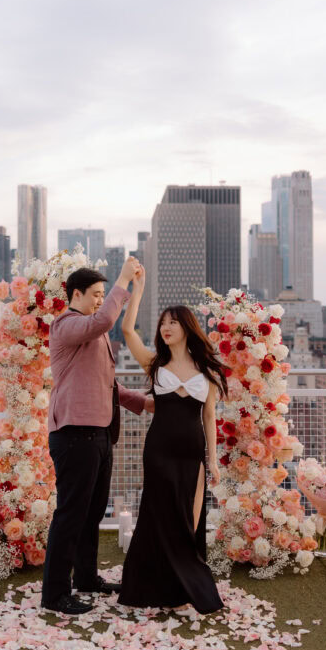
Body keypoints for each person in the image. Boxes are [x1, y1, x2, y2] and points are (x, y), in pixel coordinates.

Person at [41, 257, 150, 615]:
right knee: (71, 513)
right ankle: (55, 594)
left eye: (105, 294)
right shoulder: (66, 324)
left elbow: (105, 384)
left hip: (100, 432)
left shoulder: (94, 330)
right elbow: (105, 319)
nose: (101, 301)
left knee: (91, 512)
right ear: (76, 294)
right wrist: (123, 278)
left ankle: (85, 578)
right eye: (97, 294)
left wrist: (142, 403)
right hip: (75, 433)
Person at [118, 267, 227, 614]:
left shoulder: (206, 371)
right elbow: (126, 330)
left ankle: (183, 589)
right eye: (163, 323)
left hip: (192, 452)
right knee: (158, 514)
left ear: (187, 328)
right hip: (159, 450)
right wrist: (138, 289)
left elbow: (209, 417)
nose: (165, 328)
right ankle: (152, 587)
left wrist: (212, 461)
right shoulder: (155, 364)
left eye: (172, 323)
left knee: (189, 523)